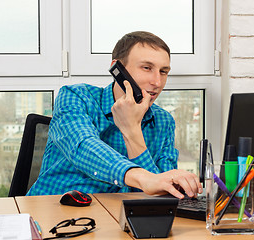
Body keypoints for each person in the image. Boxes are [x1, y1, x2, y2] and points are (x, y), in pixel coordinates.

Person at [27, 31, 202, 199]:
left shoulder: (164, 121)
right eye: (147, 68)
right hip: (51, 211)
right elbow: (83, 146)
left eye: (163, 72)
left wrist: (132, 131)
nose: (157, 82)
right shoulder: (76, 97)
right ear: (117, 69)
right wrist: (142, 177)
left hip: (114, 219)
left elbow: (162, 188)